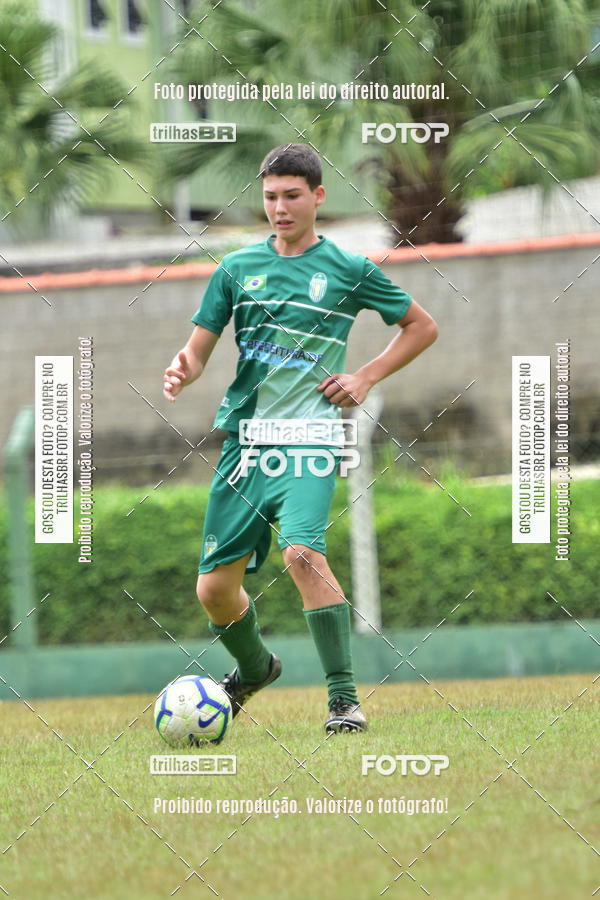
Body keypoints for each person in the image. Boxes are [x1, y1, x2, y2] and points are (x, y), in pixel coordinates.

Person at [163, 143, 438, 734]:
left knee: (303, 553)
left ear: (317, 196)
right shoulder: (234, 270)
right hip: (245, 443)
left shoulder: (348, 268)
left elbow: (421, 326)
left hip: (311, 437)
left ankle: (343, 700)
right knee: (213, 590)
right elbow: (199, 349)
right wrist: (183, 368)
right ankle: (256, 669)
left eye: (292, 196)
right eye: (270, 197)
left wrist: (365, 375)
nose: (280, 208)